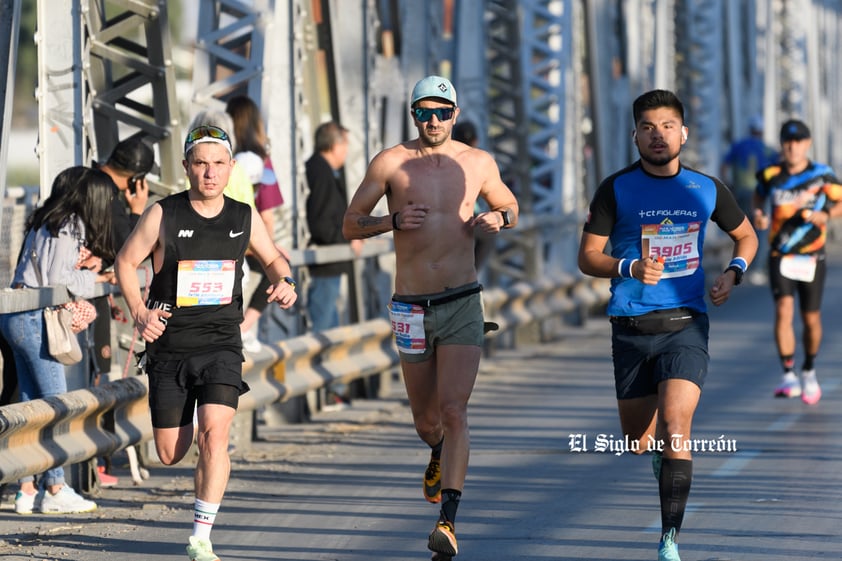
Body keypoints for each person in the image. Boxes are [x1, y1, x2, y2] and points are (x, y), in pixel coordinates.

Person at [577, 89, 757, 561]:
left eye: (668, 126)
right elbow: (587, 257)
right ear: (635, 134)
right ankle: (656, 447)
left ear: (684, 132)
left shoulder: (706, 188)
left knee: (678, 426)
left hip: (686, 324)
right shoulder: (615, 189)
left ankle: (669, 539)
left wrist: (734, 272)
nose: (659, 135)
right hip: (631, 326)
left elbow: (746, 235)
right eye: (648, 127)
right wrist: (628, 268)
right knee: (638, 441)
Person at [343, 75, 518, 560]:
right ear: (413, 115)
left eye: (443, 111)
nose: (434, 120)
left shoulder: (478, 162)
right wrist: (391, 222)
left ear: (455, 114)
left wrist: (497, 218)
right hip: (411, 306)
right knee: (426, 421)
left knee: (454, 410)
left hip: (462, 299)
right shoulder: (391, 162)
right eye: (425, 112)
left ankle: (448, 520)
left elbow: (510, 206)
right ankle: (435, 451)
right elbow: (349, 222)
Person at [114, 125, 297, 561]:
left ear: (230, 168)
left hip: (222, 343)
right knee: (170, 452)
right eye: (200, 164)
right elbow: (125, 261)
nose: (209, 174)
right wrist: (140, 312)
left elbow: (273, 257)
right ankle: (190, 474)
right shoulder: (164, 214)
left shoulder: (243, 216)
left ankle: (201, 537)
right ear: (186, 169)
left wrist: (285, 280)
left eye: (218, 165)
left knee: (215, 436)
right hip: (171, 347)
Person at [0, 166, 116, 515]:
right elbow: (58, 280)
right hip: (37, 315)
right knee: (56, 405)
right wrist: (94, 275)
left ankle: (25, 487)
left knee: (29, 404)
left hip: (14, 313)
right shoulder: (71, 224)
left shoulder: (44, 219)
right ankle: (54, 487)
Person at [752, 119, 842, 405]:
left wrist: (827, 215)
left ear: (808, 143)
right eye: (788, 141)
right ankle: (788, 373)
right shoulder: (770, 175)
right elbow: (759, 196)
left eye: (799, 141)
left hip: (812, 255)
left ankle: (809, 369)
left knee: (810, 318)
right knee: (783, 309)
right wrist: (759, 213)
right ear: (782, 144)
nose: (793, 147)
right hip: (781, 254)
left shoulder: (822, 175)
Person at [224, 96, 287, 351]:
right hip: (252, 237)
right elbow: (267, 214)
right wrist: (269, 247)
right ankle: (245, 327)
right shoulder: (263, 161)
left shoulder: (228, 160)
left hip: (229, 237)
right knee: (279, 267)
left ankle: (240, 328)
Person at [305, 121, 362, 331]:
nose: (347, 151)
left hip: (329, 261)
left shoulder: (320, 169)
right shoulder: (320, 172)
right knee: (324, 326)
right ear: (335, 146)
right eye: (345, 145)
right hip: (325, 263)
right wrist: (349, 236)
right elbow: (321, 223)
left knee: (330, 325)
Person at [720, 115, 778, 284]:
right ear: (761, 132)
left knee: (741, 230)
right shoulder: (767, 149)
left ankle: (739, 267)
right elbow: (780, 165)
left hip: (741, 193)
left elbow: (724, 166)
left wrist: (728, 184)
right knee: (759, 231)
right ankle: (757, 269)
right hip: (759, 194)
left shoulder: (738, 146)